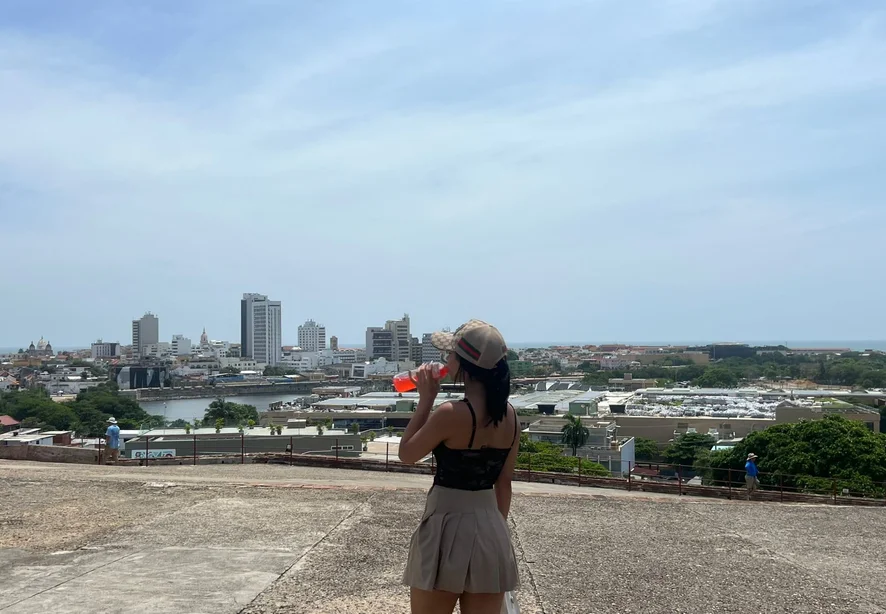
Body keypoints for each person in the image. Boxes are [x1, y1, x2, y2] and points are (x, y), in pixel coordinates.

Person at [399, 320, 519, 614]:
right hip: (492, 528)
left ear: (464, 365)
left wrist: (426, 399)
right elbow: (504, 483)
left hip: (446, 526)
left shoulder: (451, 413)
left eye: (450, 354)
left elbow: (407, 454)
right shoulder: (510, 416)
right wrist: (494, 530)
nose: (446, 360)